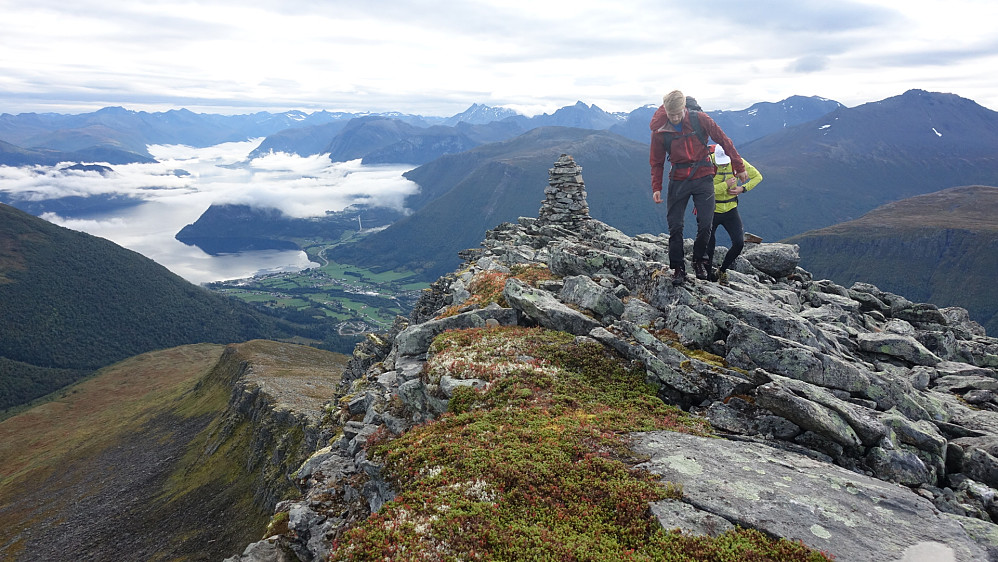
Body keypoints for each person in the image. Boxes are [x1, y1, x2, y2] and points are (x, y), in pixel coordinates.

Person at [650, 90, 748, 284]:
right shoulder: (661, 130)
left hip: (703, 176)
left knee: (705, 224)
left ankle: (699, 261)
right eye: (671, 115)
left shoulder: (700, 119)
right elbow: (656, 161)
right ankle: (678, 268)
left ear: (684, 107)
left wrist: (739, 165)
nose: (676, 118)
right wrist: (656, 186)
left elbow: (724, 141)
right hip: (678, 178)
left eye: (679, 113)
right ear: (665, 111)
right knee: (675, 225)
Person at [706, 144, 762, 285]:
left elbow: (758, 177)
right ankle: (707, 276)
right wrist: (725, 185)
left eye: (726, 161)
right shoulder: (707, 163)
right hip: (711, 210)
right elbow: (704, 189)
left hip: (731, 210)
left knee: (738, 243)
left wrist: (742, 189)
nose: (724, 164)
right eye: (721, 162)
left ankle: (722, 270)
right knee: (709, 246)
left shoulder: (738, 162)